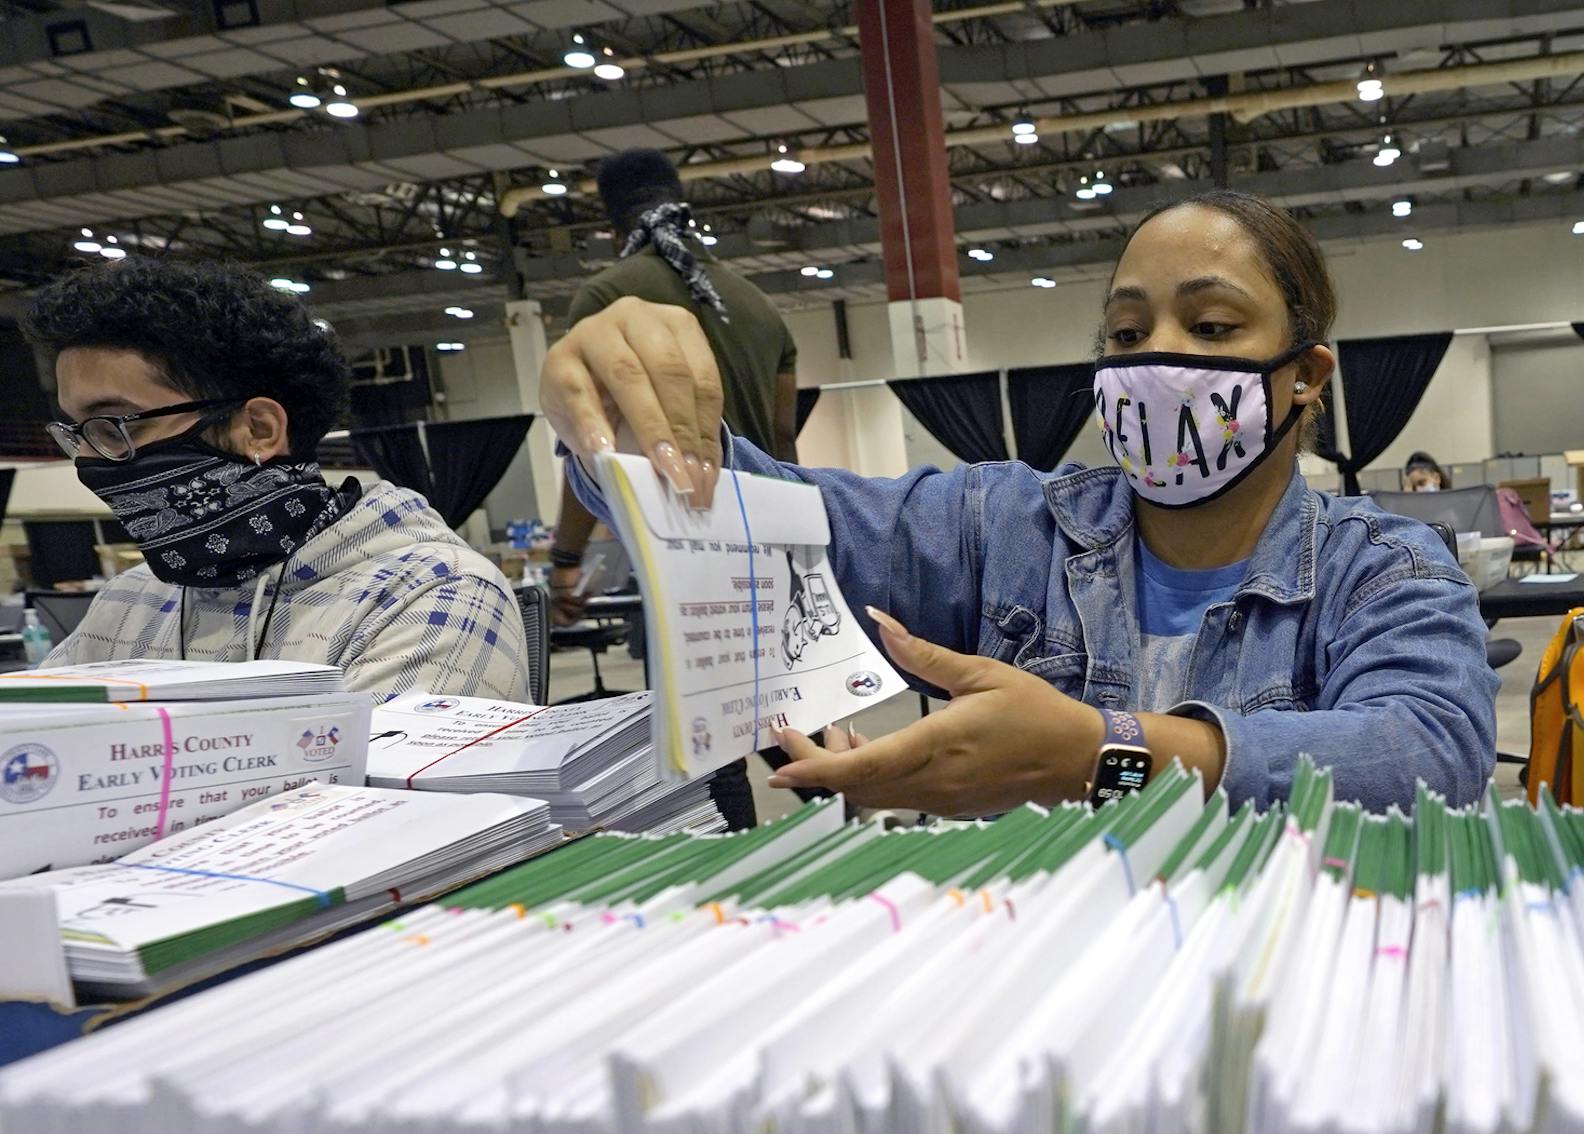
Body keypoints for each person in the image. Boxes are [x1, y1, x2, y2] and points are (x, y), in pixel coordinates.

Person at [539, 190, 1497, 816]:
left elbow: (1427, 755)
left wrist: (1102, 754)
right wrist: (626, 434)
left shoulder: (1385, 568)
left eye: (1209, 326)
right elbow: (766, 519)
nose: (1155, 357)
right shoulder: (1000, 528)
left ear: (1304, 377)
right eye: (1126, 333)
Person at [28, 257, 527, 699]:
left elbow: (375, 800)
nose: (90, 460)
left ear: (260, 429)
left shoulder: (428, 593)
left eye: (115, 424)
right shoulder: (131, 598)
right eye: (77, 432)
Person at [548, 148, 803, 830]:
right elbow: (784, 441)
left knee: (707, 747)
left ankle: (740, 874)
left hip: (681, 560)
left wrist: (565, 560)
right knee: (795, 714)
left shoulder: (607, 301)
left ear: (610, 224)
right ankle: (856, 819)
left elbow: (593, 450)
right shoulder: (756, 305)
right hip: (768, 546)